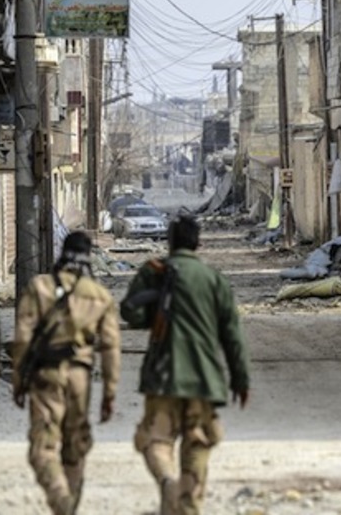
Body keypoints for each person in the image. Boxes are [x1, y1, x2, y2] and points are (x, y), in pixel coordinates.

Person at [121, 215, 250, 515]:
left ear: (169, 242)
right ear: (198, 243)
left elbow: (132, 314)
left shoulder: (154, 271)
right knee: (197, 442)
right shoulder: (213, 279)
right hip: (203, 379)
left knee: (156, 440)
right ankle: (189, 505)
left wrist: (155, 311)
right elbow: (232, 335)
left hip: (163, 374)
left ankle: (167, 482)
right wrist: (240, 380)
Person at [12, 231, 121, 515]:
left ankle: (61, 503)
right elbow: (110, 348)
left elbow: (23, 338)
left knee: (43, 450)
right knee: (75, 447)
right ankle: (69, 505)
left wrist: (18, 381)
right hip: (80, 378)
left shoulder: (39, 287)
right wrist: (109, 393)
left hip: (46, 375)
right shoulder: (99, 295)